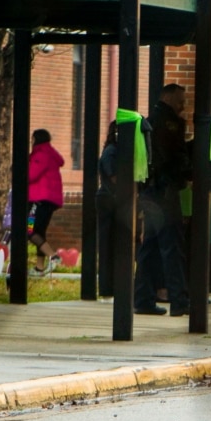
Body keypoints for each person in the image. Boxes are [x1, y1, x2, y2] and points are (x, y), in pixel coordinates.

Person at [134, 83, 192, 317]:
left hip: (150, 191)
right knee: (172, 246)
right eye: (180, 100)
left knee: (150, 247)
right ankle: (179, 301)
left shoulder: (150, 121)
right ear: (167, 97)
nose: (183, 106)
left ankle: (143, 298)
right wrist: (187, 170)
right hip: (165, 191)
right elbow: (172, 157)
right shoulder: (168, 123)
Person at [27, 128, 65, 276]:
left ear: (36, 140)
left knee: (30, 231)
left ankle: (53, 257)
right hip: (48, 201)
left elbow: (30, 175)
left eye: (32, 139)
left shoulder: (40, 155)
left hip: (38, 201)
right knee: (39, 232)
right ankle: (39, 267)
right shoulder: (50, 154)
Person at [96, 120, 117, 301]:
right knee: (107, 244)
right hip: (108, 201)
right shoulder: (111, 152)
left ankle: (113, 286)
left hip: (114, 200)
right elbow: (114, 177)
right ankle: (106, 288)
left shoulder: (113, 151)